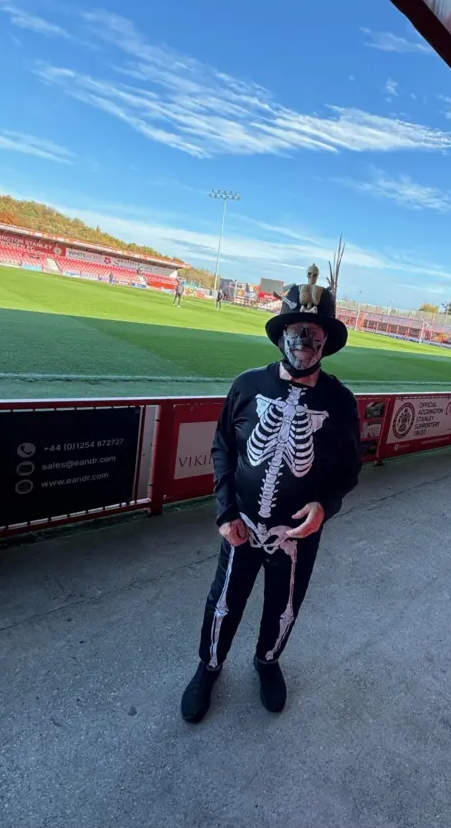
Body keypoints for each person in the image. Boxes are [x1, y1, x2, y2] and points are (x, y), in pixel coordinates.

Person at [181, 275, 362, 724]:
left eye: (314, 335)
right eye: (296, 333)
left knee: (284, 606)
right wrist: (225, 512)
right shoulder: (247, 385)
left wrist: (324, 506)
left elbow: (347, 471)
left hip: (294, 536)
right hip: (241, 524)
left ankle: (266, 661)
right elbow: (224, 446)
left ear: (325, 343)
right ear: (282, 336)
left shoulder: (339, 403)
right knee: (223, 601)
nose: (304, 343)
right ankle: (209, 667)